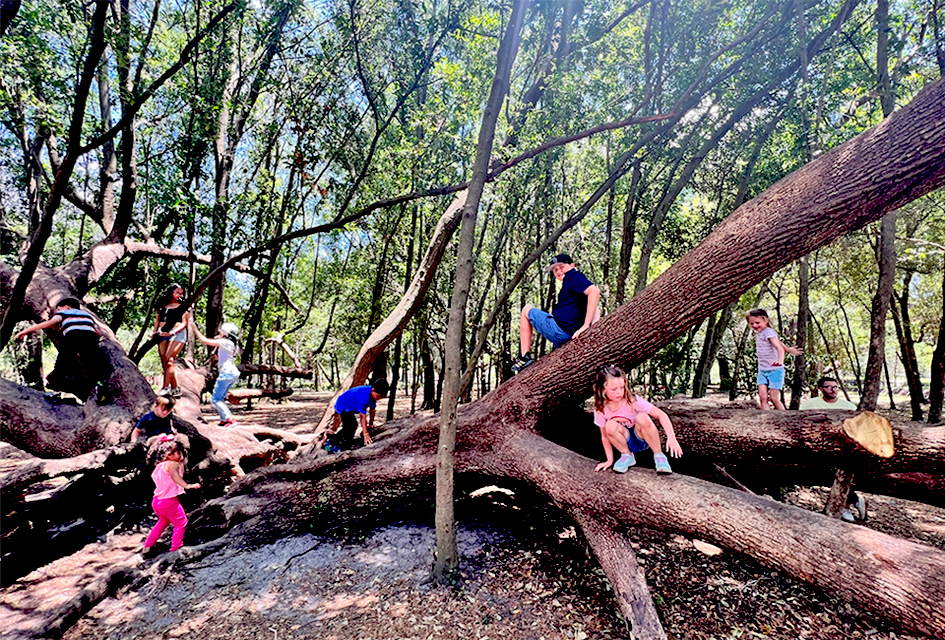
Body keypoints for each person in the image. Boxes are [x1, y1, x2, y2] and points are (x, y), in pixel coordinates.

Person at [511, 253, 600, 374]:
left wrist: (586, 326)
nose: (558, 271)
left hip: (561, 330)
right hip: (567, 332)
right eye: (555, 269)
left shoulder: (573, 276)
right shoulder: (573, 283)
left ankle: (524, 356)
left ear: (572, 265)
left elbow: (594, 291)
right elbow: (594, 306)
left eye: (561, 266)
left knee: (526, 310)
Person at [592, 365, 682, 474]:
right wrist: (609, 460)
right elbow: (605, 436)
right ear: (602, 389)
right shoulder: (601, 409)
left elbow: (661, 415)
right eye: (614, 389)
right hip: (625, 440)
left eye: (622, 387)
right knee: (609, 426)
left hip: (642, 437)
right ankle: (627, 456)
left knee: (642, 417)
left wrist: (671, 438)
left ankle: (659, 457)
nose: (619, 392)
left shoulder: (632, 401)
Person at [14, 297, 107, 402]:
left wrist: (27, 330)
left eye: (59, 309)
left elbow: (49, 323)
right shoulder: (88, 316)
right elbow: (98, 332)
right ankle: (100, 388)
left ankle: (56, 392)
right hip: (90, 338)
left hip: (73, 336)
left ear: (67, 307)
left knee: (62, 364)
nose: (58, 311)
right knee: (91, 364)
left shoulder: (64, 313)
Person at [800, 376, 866, 522]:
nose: (833, 390)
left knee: (841, 471)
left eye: (835, 387)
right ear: (820, 389)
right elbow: (802, 423)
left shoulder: (848, 406)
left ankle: (847, 506)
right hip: (817, 446)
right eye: (829, 387)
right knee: (824, 473)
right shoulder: (810, 404)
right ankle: (854, 500)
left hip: (842, 447)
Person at [143, 435, 200, 554]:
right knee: (181, 522)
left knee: (163, 521)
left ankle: (148, 545)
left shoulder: (159, 466)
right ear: (169, 454)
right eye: (178, 453)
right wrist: (187, 486)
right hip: (168, 501)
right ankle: (176, 547)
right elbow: (175, 476)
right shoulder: (172, 464)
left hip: (157, 501)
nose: (181, 456)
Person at [746, 308, 802, 410]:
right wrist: (788, 349)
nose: (754, 325)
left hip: (775, 370)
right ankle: (765, 418)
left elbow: (778, 347)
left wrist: (780, 361)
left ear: (766, 320)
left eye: (757, 322)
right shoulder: (762, 333)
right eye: (752, 323)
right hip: (762, 370)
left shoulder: (768, 332)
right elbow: (779, 342)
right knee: (762, 397)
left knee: (774, 398)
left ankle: (784, 418)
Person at [190, 320, 241, 427]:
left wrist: (194, 328)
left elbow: (204, 340)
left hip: (226, 373)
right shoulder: (231, 344)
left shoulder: (225, 342)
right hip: (232, 373)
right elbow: (220, 356)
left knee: (216, 399)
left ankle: (229, 419)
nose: (220, 333)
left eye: (222, 332)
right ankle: (223, 420)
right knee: (220, 398)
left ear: (226, 333)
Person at [325, 379, 390, 452]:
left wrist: (371, 424)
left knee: (352, 426)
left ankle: (346, 446)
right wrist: (366, 434)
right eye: (378, 396)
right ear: (373, 390)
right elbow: (362, 416)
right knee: (351, 425)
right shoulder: (364, 396)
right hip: (343, 404)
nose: (379, 399)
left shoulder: (373, 396)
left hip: (351, 407)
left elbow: (372, 410)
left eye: (382, 397)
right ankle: (331, 443)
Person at [153, 284, 190, 396]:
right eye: (177, 292)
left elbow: (184, 323)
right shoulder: (161, 305)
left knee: (169, 359)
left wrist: (173, 332)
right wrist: (155, 332)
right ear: (171, 292)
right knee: (165, 361)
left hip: (177, 333)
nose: (180, 295)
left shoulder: (183, 306)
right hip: (162, 332)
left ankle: (165, 388)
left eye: (181, 293)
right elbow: (157, 319)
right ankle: (176, 387)